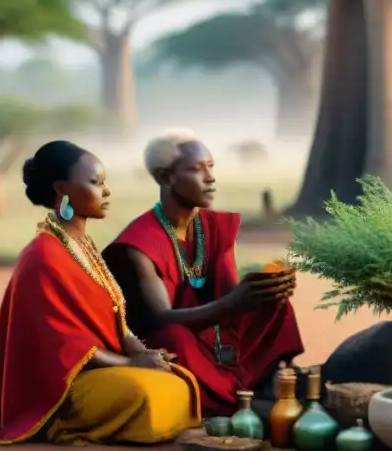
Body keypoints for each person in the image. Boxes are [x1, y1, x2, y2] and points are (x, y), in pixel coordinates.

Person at [0, 141, 202, 445]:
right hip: (62, 384)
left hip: (102, 369)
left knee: (177, 381)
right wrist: (131, 364)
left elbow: (115, 321)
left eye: (104, 182)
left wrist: (141, 352)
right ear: (62, 190)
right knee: (147, 395)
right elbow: (66, 344)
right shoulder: (42, 255)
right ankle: (63, 422)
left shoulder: (83, 246)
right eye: (95, 183)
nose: (106, 192)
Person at [102, 129, 304, 416]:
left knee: (276, 308)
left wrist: (264, 290)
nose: (210, 178)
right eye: (197, 169)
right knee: (174, 337)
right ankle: (234, 399)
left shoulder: (213, 226)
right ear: (165, 177)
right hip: (168, 341)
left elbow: (229, 295)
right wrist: (234, 302)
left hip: (212, 331)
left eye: (211, 167)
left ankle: (263, 383)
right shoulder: (140, 242)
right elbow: (163, 317)